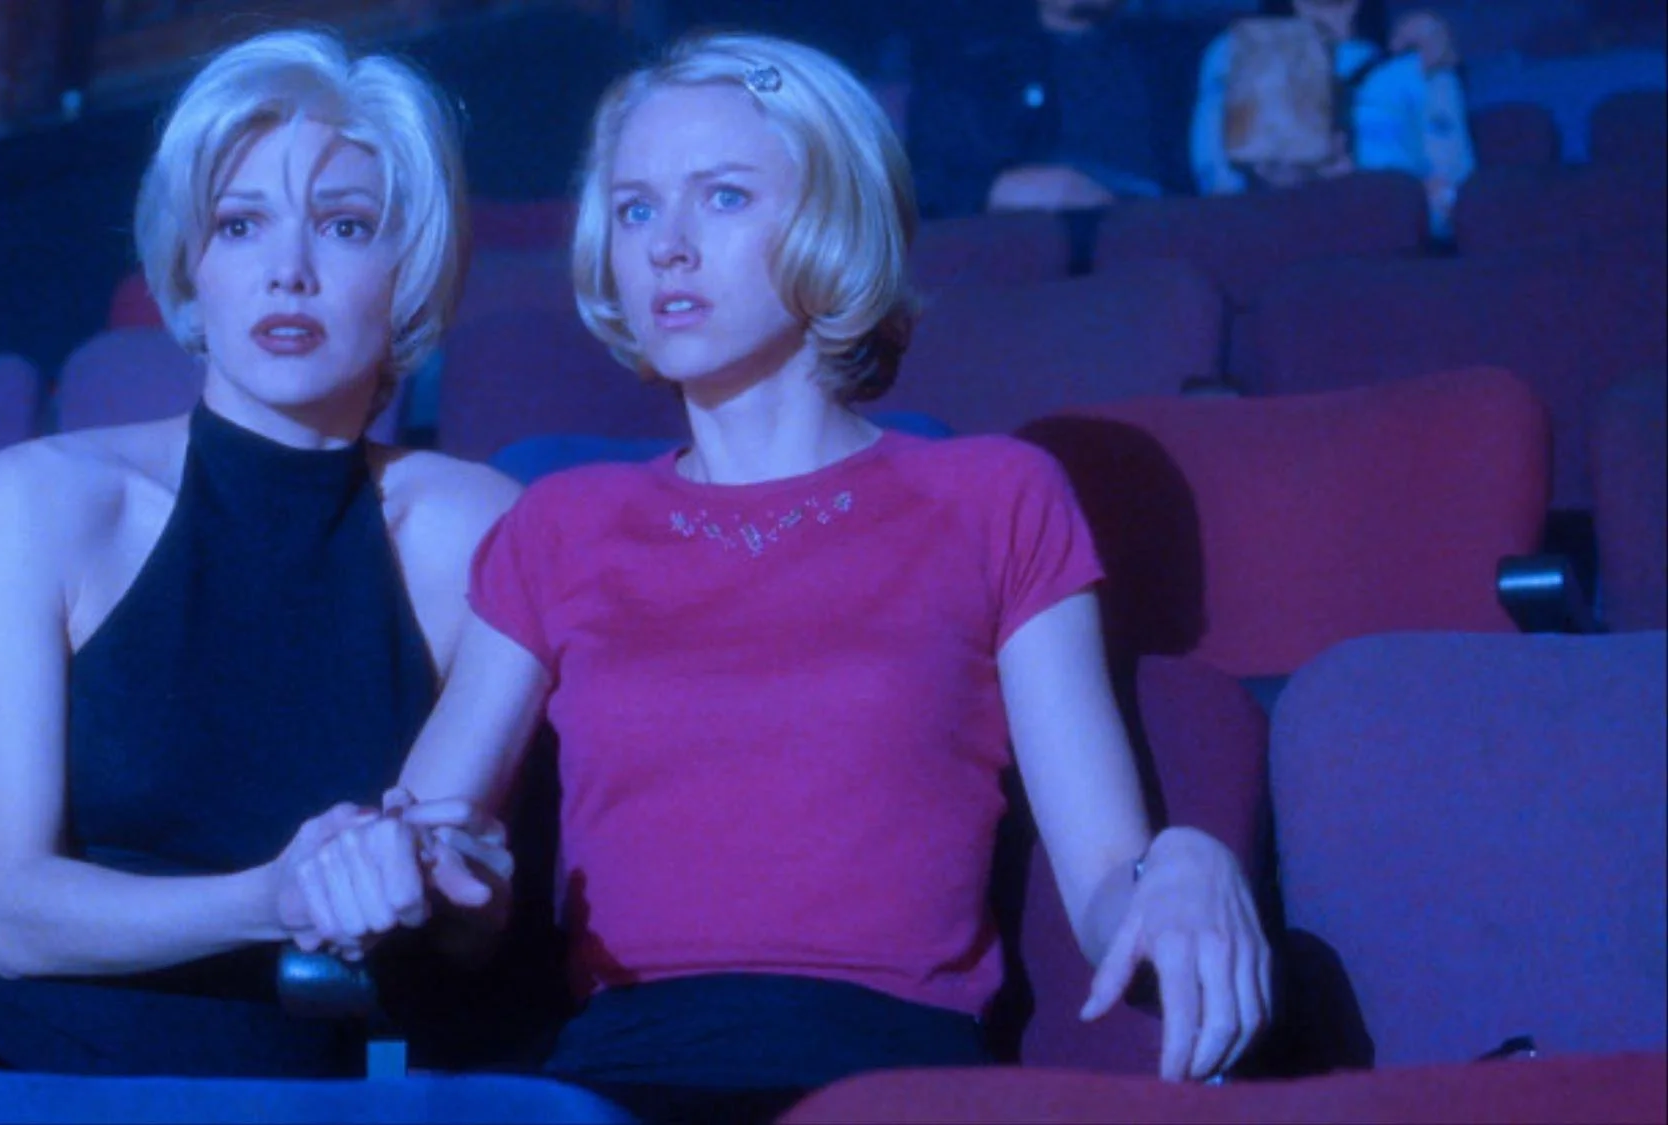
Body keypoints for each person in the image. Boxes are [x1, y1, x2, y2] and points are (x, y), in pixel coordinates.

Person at [296, 30, 1272, 1122]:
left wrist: (1185, 863)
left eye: (719, 198)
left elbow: (1105, 885)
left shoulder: (993, 497)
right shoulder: (561, 525)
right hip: (610, 1079)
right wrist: (390, 864)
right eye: (632, 209)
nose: (664, 246)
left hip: (886, 1080)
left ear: (829, 219)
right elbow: (447, 859)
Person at [0, 27, 530, 1082]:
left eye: (344, 225)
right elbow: (10, 914)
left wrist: (462, 896)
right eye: (240, 225)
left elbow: (445, 911)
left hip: (283, 1063)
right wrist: (268, 898)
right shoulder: (43, 496)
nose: (288, 272)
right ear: (192, 265)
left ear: (407, 267)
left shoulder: (479, 525)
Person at [1190, 0, 1474, 230]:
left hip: (1386, 249)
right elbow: (1218, 191)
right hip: (1276, 245)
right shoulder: (1235, 51)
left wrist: (1370, 192)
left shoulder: (1420, 62)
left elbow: (1455, 200)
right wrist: (1282, 187)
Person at [905, 0, 1205, 216]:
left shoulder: (1184, 60)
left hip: (1157, 245)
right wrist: (997, 190)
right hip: (1027, 257)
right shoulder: (970, 71)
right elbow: (922, 182)